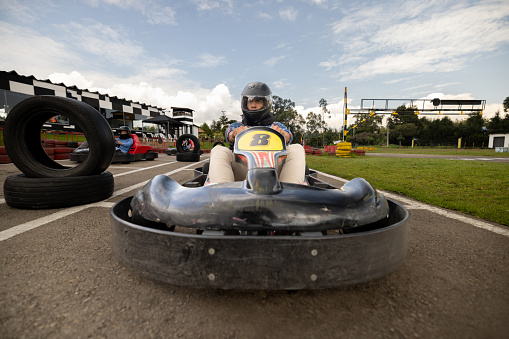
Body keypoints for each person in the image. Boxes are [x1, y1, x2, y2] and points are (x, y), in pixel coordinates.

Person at [208, 81, 305, 184]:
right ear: (245, 103)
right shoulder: (237, 126)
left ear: (266, 103)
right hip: (243, 168)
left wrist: (282, 135)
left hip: (274, 168)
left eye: (258, 101)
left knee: (296, 148)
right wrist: (234, 134)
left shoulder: (277, 126)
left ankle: (289, 193)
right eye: (250, 101)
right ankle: (223, 193)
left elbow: (288, 136)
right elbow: (229, 135)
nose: (253, 105)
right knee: (218, 149)